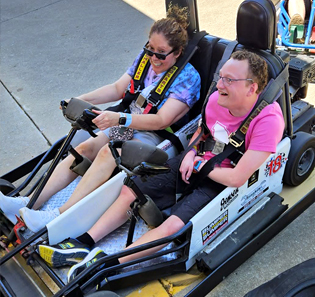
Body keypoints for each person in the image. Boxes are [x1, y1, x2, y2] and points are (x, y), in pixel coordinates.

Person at [37, 50, 285, 282]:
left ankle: (106, 264)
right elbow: (203, 132)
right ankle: (84, 242)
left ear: (252, 87)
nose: (220, 85)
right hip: (197, 163)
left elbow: (237, 178)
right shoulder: (215, 100)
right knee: (131, 189)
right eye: (221, 77)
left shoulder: (269, 121)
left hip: (222, 180)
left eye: (229, 80)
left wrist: (199, 163)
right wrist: (190, 154)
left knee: (174, 226)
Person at [0, 4, 201, 232]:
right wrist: (79, 99)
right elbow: (117, 88)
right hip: (128, 123)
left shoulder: (188, 78)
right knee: (85, 148)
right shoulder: (145, 60)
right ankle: (27, 203)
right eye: (150, 48)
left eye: (161, 52)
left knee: (109, 151)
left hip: (157, 138)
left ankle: (58, 216)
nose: (153, 57)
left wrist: (119, 119)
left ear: (177, 52)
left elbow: (161, 120)